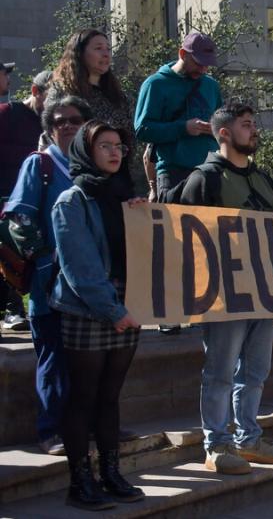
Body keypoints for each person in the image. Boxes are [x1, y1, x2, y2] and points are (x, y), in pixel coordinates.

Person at [178, 103, 273, 473]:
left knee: (255, 371)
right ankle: (216, 445)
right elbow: (185, 236)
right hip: (222, 295)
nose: (254, 130)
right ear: (223, 133)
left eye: (253, 124)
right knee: (221, 371)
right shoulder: (204, 180)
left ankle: (249, 438)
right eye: (246, 125)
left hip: (263, 290)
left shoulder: (262, 179)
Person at [50, 120, 144, 510]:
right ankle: (80, 482)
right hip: (89, 308)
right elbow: (80, 268)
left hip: (126, 302)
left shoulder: (126, 196)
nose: (114, 152)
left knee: (110, 396)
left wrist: (144, 219)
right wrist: (113, 310)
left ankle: (110, 473)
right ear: (85, 152)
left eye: (118, 145)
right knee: (84, 397)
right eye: (103, 145)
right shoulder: (71, 201)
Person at [4, 96, 92, 455]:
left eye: (75, 119)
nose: (68, 125)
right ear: (49, 129)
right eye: (59, 121)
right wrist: (45, 256)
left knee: (89, 360)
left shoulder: (95, 168)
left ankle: (92, 426)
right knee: (53, 357)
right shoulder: (39, 165)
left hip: (91, 285)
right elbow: (19, 219)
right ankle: (50, 431)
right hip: (50, 282)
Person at [134, 31, 223, 202]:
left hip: (210, 172)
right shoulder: (156, 84)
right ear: (182, 54)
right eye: (198, 63)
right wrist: (184, 128)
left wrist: (215, 130)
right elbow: (142, 129)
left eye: (207, 65)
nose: (203, 69)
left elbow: (222, 123)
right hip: (173, 173)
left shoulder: (211, 86)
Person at [0, 70, 52, 331]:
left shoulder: (54, 123)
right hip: (7, 198)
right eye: (50, 97)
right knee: (11, 248)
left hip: (39, 198)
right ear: (35, 92)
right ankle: (13, 308)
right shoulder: (8, 114)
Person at [46, 30, 133, 159]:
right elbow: (53, 130)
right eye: (98, 48)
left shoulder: (119, 96)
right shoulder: (62, 92)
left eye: (108, 49)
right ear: (80, 53)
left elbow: (130, 137)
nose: (106, 54)